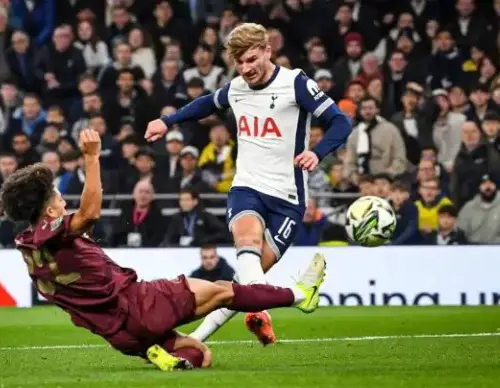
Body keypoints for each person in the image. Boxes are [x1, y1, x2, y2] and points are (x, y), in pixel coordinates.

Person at [0, 129, 326, 371]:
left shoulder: (28, 247)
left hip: (121, 336)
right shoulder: (51, 233)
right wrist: (92, 157)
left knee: (201, 355)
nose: (63, 200)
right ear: (50, 213)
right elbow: (90, 214)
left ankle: (161, 356)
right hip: (138, 305)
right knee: (225, 291)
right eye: (58, 198)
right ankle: (300, 294)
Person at [144, 22, 347, 345]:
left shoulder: (295, 83)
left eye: (252, 59)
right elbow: (207, 104)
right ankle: (276, 307)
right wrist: (167, 121)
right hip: (247, 187)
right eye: (239, 62)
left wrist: (317, 152)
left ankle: (198, 337)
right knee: (246, 241)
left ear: (268, 51)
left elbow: (341, 121)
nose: (245, 68)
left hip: (288, 197)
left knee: (244, 283)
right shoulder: (237, 88)